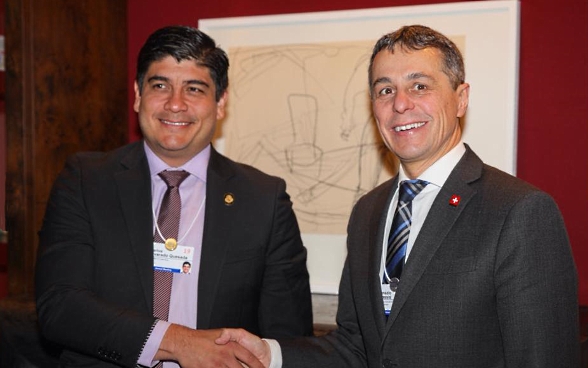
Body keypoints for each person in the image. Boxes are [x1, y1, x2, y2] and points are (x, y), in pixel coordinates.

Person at [216, 24, 580, 367]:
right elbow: (355, 346)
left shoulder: (518, 211)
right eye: (385, 89)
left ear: (461, 98)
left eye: (420, 86)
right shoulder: (367, 212)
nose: (400, 104)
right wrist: (269, 354)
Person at [35, 25, 313, 368]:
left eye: (194, 89)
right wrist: (179, 343)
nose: (175, 104)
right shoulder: (85, 180)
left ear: (220, 102)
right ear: (138, 95)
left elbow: (289, 338)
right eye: (160, 85)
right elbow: (59, 307)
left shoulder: (264, 199)